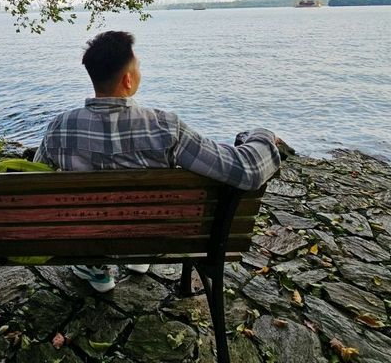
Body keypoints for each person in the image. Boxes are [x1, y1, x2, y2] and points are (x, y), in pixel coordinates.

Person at [34, 30, 281, 292]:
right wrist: (262, 135)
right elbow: (247, 170)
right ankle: (138, 255)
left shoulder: (59, 128)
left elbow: (35, 184)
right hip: (155, 237)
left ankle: (96, 266)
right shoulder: (165, 128)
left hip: (87, 238)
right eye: (137, 66)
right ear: (128, 80)